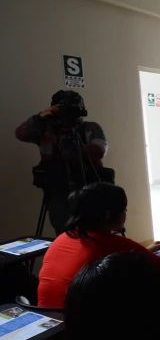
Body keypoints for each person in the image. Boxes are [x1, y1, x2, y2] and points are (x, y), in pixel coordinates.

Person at [36, 182, 160, 340]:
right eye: (124, 209)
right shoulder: (111, 243)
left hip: (54, 331)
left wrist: (145, 250)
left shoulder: (62, 239)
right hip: (92, 335)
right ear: (109, 215)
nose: (125, 214)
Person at [16, 90, 110, 234]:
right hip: (56, 186)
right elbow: (21, 134)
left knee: (96, 225)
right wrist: (40, 117)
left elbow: (99, 151)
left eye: (73, 107)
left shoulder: (91, 128)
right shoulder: (45, 128)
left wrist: (61, 143)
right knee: (64, 227)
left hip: (89, 183)